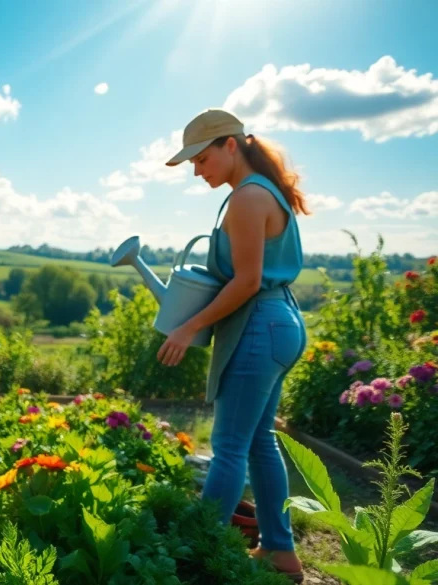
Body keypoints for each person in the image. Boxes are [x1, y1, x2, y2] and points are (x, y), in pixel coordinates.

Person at [156, 108, 309, 582]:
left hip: (259, 323)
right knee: (259, 442)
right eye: (192, 165)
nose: (198, 172)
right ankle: (280, 552)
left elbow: (245, 283)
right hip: (281, 320)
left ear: (230, 145)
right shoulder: (262, 192)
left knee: (227, 446)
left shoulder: (247, 198)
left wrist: (187, 327)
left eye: (201, 160)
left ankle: (199, 555)